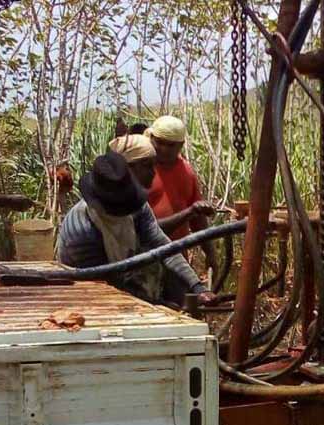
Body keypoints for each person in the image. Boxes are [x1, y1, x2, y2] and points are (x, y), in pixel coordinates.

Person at [57, 149, 215, 307]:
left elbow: (163, 247)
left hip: (124, 277)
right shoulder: (81, 231)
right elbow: (105, 284)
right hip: (87, 289)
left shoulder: (135, 206)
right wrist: (158, 305)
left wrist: (198, 287)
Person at [145, 115, 218, 275]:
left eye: (170, 145)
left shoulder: (186, 172)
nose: (163, 149)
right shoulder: (141, 169)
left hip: (176, 259)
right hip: (144, 259)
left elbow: (197, 219)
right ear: (151, 139)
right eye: (159, 142)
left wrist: (210, 252)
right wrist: (190, 212)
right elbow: (144, 228)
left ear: (181, 145)